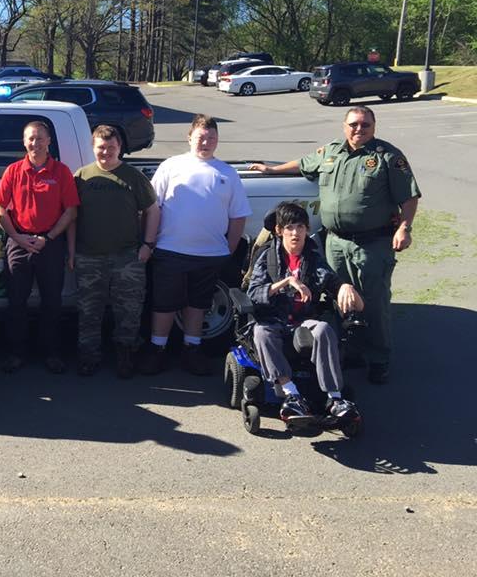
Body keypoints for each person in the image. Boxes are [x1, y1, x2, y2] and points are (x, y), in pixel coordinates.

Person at [249, 106, 421, 384]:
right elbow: (304, 162)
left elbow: (410, 197)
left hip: (372, 242)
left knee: (372, 301)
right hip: (335, 242)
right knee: (337, 296)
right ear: (344, 126)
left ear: (373, 127)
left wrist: (404, 228)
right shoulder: (331, 152)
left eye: (365, 125)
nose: (359, 129)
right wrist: (272, 169)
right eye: (353, 124)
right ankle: (350, 350)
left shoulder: (387, 156)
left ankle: (378, 359)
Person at [142, 114, 251, 376]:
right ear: (189, 137)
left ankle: (192, 350)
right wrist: (150, 241)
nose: (206, 142)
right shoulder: (171, 166)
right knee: (164, 304)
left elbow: (238, 215)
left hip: (210, 255)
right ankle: (158, 350)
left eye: (212, 137)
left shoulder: (228, 173)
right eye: (201, 137)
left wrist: (229, 250)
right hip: (170, 251)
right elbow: (153, 207)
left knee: (198, 305)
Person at [247, 202, 364, 423]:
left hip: (303, 321)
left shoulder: (313, 259)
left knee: (323, 329)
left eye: (300, 227)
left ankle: (335, 398)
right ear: (279, 231)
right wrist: (287, 282)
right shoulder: (268, 257)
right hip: (273, 319)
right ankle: (291, 394)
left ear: (306, 230)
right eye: (289, 228)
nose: (295, 233)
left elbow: (332, 282)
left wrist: (345, 287)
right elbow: (253, 292)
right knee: (261, 333)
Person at [68, 125, 159, 378]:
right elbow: (72, 217)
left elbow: (153, 210)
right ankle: (89, 357)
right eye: (100, 147)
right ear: (93, 147)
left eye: (111, 147)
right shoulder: (82, 177)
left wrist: (147, 245)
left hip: (127, 257)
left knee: (128, 311)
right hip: (88, 256)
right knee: (89, 311)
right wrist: (73, 252)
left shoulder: (133, 176)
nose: (105, 152)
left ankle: (126, 356)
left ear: (119, 148)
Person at [0, 120, 80, 374]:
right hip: (18, 242)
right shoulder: (13, 171)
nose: (35, 142)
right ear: (24, 142)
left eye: (40, 138)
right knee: (16, 301)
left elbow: (71, 211)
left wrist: (49, 238)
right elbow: (0, 207)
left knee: (52, 302)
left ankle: (51, 353)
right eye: (31, 138)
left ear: (49, 141)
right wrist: (16, 237)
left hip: (50, 243)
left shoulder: (61, 172)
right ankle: (16, 353)